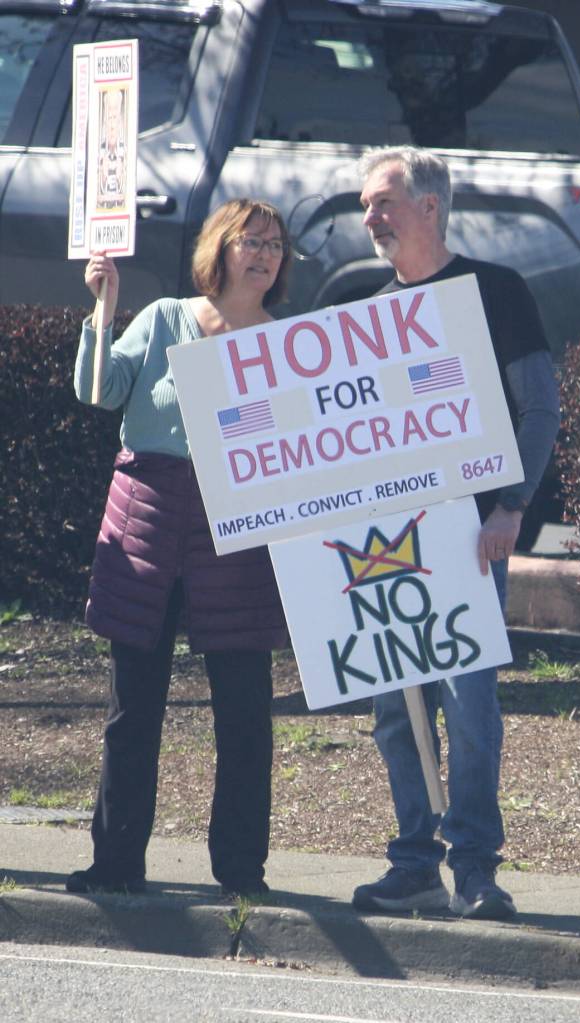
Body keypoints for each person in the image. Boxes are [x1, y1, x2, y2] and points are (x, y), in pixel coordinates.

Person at [352, 146, 560, 921]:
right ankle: (413, 861)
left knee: (468, 705)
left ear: (429, 206)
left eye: (381, 202)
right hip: (385, 548)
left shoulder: (495, 291)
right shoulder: (370, 312)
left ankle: (473, 865)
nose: (369, 216)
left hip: (472, 536)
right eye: (365, 204)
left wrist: (510, 506)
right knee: (391, 705)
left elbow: (538, 408)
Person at [67, 199, 291, 898]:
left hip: (238, 533)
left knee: (245, 709)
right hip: (150, 524)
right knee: (134, 705)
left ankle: (241, 871)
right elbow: (99, 392)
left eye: (274, 244)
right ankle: (116, 862)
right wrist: (104, 308)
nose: (262, 254)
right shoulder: (165, 317)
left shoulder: (289, 341)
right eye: (249, 240)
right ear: (218, 250)